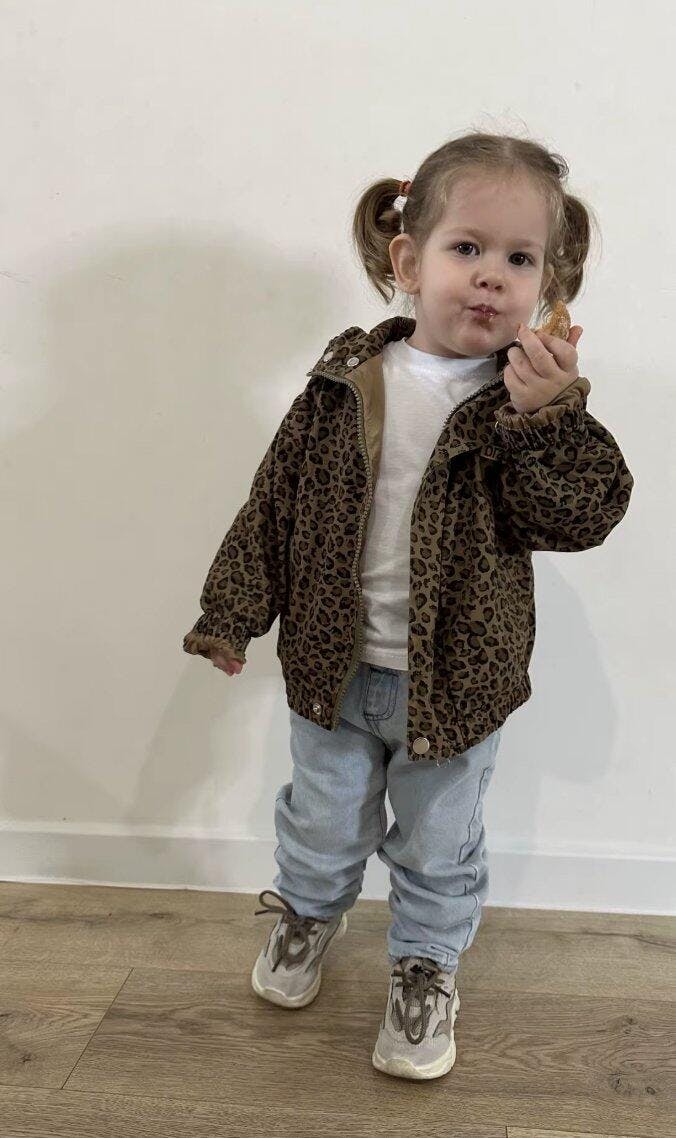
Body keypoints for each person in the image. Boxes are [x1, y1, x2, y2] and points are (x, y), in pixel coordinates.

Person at [182, 131, 634, 1081]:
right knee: (321, 822)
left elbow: (581, 516)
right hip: (335, 671)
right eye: (467, 248)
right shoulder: (342, 386)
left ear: (546, 285)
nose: (492, 276)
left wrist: (549, 420)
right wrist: (231, 613)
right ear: (408, 261)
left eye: (520, 259)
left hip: (457, 688)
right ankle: (309, 915)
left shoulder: (525, 406)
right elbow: (274, 505)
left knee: (438, 845)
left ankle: (425, 968)